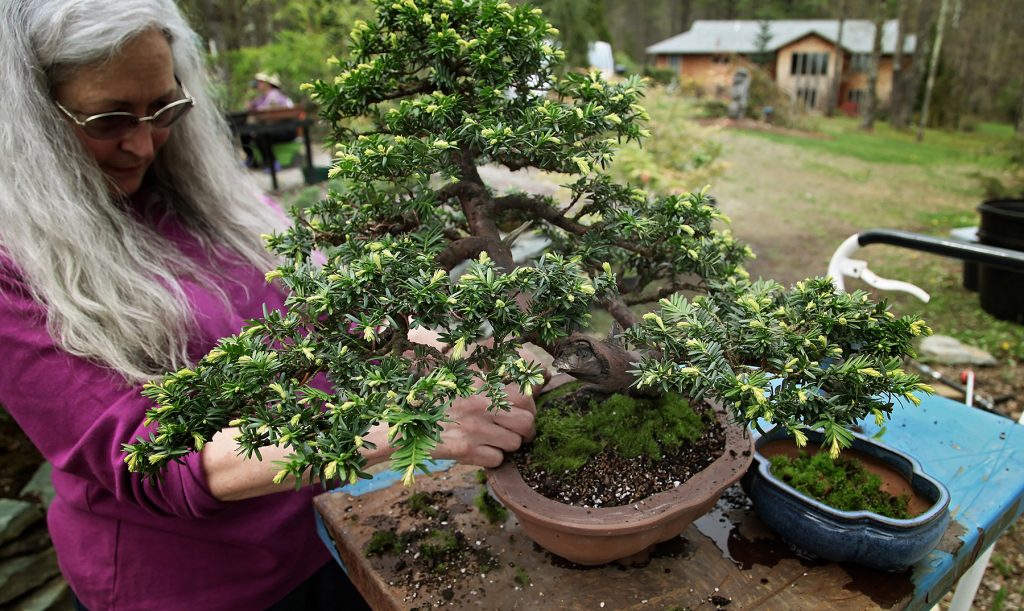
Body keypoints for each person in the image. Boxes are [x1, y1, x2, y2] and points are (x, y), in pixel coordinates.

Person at [0, 1, 536, 610]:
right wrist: (405, 427)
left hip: (325, 524)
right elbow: (155, 458)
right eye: (108, 119)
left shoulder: (205, 198)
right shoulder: (13, 265)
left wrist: (429, 344)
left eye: (164, 108)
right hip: (192, 583)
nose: (144, 143)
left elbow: (327, 317)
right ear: (31, 116)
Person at [241, 72, 298, 170]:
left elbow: (269, 112)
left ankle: (271, 162)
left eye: (260, 82)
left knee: (261, 134)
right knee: (245, 133)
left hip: (285, 130)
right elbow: (254, 107)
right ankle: (252, 159)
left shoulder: (275, 95)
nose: (258, 85)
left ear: (267, 84)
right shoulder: (263, 97)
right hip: (273, 129)